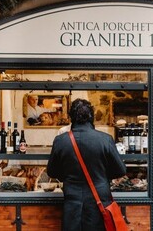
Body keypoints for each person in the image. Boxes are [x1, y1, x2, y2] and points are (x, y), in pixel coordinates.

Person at [47, 98, 126, 231]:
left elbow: (52, 172)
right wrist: (102, 174)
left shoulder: (61, 141)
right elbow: (120, 170)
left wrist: (67, 176)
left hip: (72, 204)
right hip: (99, 203)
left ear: (71, 117)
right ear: (91, 117)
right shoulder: (105, 139)